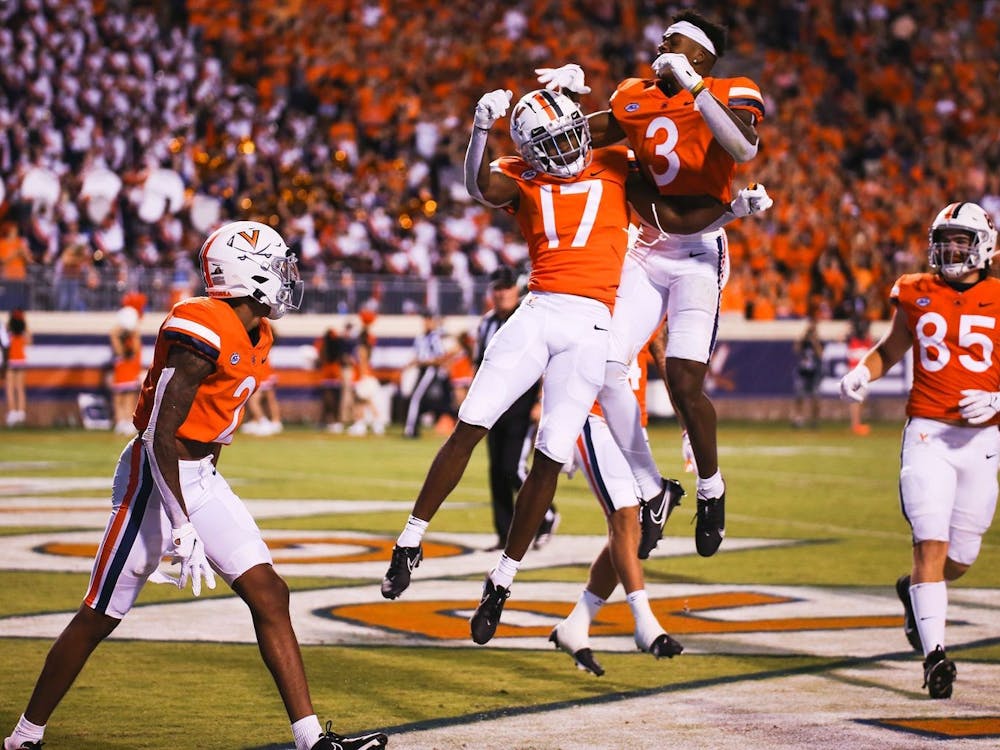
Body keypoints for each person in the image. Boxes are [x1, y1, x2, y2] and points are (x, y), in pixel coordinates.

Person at [2, 221, 388, 750]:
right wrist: (181, 522)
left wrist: (200, 498)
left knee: (270, 593)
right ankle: (25, 737)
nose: (286, 277)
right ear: (244, 275)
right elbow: (160, 433)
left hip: (200, 475)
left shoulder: (259, 331)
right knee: (100, 615)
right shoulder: (203, 325)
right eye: (276, 267)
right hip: (154, 478)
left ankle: (310, 740)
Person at [380, 85, 738, 649]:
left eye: (573, 131)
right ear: (529, 146)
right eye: (555, 139)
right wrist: (479, 130)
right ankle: (410, 539)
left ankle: (502, 580)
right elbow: (479, 184)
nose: (570, 145)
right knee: (472, 425)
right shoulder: (521, 175)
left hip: (592, 324)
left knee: (548, 457)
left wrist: (730, 208)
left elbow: (649, 157)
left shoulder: (612, 163)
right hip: (538, 310)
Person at [537, 10, 770, 558]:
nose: (660, 43)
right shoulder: (633, 94)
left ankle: (712, 490)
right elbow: (575, 139)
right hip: (647, 246)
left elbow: (744, 149)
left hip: (700, 248)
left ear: (700, 54)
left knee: (685, 383)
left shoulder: (729, 88)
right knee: (604, 363)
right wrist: (560, 101)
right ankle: (652, 489)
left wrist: (695, 90)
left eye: (675, 38)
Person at [839, 202, 999, 700]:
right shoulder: (915, 290)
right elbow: (892, 346)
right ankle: (935, 657)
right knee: (930, 540)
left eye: (960, 241)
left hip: (982, 439)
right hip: (928, 432)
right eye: (944, 240)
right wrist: (865, 370)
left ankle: (913, 590)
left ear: (984, 246)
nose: (950, 250)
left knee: (962, 557)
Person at [551, 325, 685, 674]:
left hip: (632, 426)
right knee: (625, 518)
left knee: (633, 529)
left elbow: (666, 359)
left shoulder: (651, 297)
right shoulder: (597, 291)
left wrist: (687, 427)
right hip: (591, 417)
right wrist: (553, 420)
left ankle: (576, 624)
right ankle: (645, 623)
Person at [475, 266, 552, 551]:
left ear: (516, 289)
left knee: (513, 467)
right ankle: (504, 533)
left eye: (505, 287)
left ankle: (546, 515)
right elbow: (479, 363)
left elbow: (547, 359)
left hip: (522, 402)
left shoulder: (528, 317)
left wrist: (541, 400)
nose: (501, 293)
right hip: (495, 405)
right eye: (496, 287)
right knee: (497, 471)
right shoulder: (485, 323)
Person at [402, 310, 449, 439]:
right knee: (416, 398)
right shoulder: (421, 337)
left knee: (416, 398)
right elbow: (417, 355)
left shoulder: (434, 338)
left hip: (430, 370)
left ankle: (411, 429)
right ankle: (413, 427)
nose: (426, 323)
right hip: (421, 370)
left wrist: (422, 361)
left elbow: (440, 358)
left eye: (429, 320)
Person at [108, 305, 144, 435]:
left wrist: (134, 332)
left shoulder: (133, 338)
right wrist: (115, 334)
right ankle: (120, 422)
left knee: (130, 398)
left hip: (131, 371)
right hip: (120, 371)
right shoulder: (119, 339)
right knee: (118, 399)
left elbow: (134, 350)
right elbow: (119, 352)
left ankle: (129, 421)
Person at [791, 315, 824, 428]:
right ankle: (798, 418)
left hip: (814, 373)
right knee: (799, 396)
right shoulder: (804, 341)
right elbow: (796, 349)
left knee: (815, 397)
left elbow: (821, 354)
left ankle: (815, 420)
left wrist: (814, 342)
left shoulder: (819, 341)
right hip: (803, 372)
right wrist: (803, 336)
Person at [845, 316, 874, 435]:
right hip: (857, 373)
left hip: (859, 373)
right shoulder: (856, 341)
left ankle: (856, 423)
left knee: (859, 399)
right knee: (856, 399)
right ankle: (855, 425)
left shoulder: (858, 341)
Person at [4, 309, 30, 427]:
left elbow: (4, 343)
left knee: (10, 388)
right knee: (20, 388)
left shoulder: (9, 332)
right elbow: (29, 341)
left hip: (11, 360)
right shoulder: (23, 332)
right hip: (21, 360)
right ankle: (21, 413)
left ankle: (13, 412)